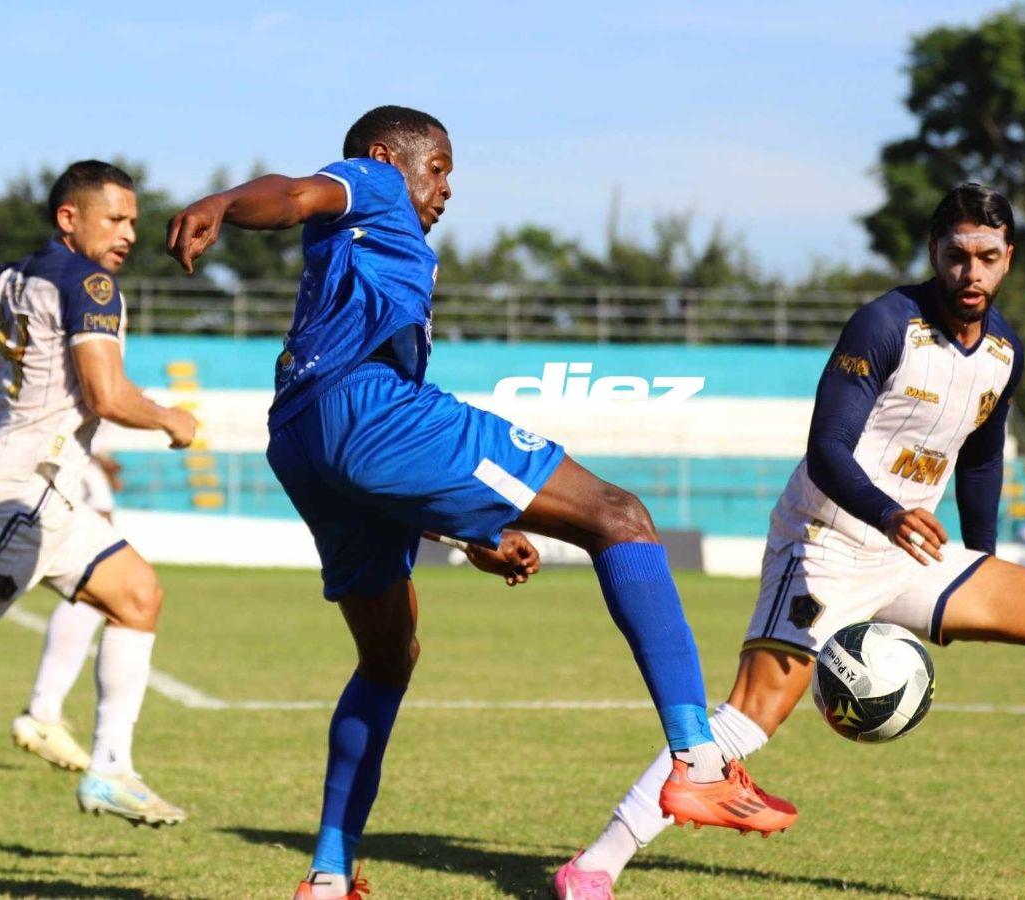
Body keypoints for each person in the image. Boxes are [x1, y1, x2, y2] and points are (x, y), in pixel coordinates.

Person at [166, 105, 795, 900]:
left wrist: (468, 531)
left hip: (302, 438)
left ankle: (329, 876)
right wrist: (223, 205)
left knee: (388, 658)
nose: (445, 192)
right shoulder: (373, 183)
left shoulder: (374, 255)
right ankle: (698, 763)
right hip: (366, 409)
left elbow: (376, 466)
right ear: (390, 156)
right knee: (620, 517)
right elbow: (291, 193)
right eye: (440, 171)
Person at [554, 184, 1025, 898]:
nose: (971, 273)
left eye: (987, 257)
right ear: (934, 253)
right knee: (748, 719)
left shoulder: (1005, 353)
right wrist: (889, 513)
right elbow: (826, 448)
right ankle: (594, 866)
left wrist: (979, 558)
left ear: (1009, 259)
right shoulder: (885, 324)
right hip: (825, 542)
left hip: (908, 552)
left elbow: (982, 458)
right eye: (957, 256)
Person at [0, 160, 197, 825]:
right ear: (69, 218)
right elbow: (107, 395)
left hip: (50, 497)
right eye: (114, 218)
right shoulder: (91, 282)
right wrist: (174, 419)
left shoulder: (14, 276)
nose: (128, 233)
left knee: (137, 594)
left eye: (133, 220)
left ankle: (110, 770)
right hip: (19, 498)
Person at [11, 440, 120, 772]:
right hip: (42, 508)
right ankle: (43, 712)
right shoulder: (84, 463)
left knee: (97, 600)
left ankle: (44, 711)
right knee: (99, 594)